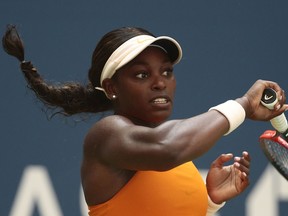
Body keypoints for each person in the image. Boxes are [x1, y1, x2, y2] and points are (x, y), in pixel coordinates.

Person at [2, 25, 287, 216]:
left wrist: (209, 201)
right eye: (142, 74)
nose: (159, 83)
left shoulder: (173, 154)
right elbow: (167, 148)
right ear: (112, 87)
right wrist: (242, 105)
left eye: (166, 72)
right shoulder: (108, 135)